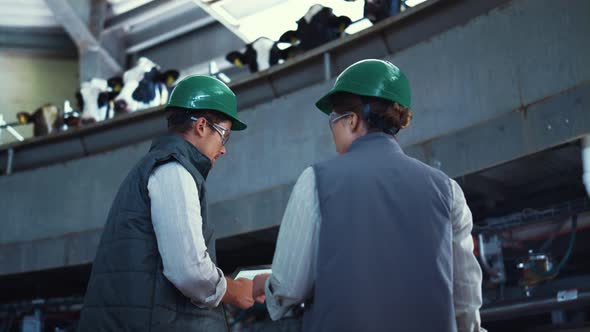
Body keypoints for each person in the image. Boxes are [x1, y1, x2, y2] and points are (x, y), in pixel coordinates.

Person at [252, 59, 485, 332]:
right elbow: (466, 298)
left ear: (351, 120)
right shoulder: (447, 190)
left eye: (333, 121)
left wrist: (265, 287)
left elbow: (289, 288)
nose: (332, 131)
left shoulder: (316, 181)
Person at [78, 75, 255, 331]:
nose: (224, 149)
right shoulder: (174, 170)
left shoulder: (158, 167)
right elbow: (189, 272)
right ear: (202, 126)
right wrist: (235, 290)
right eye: (224, 136)